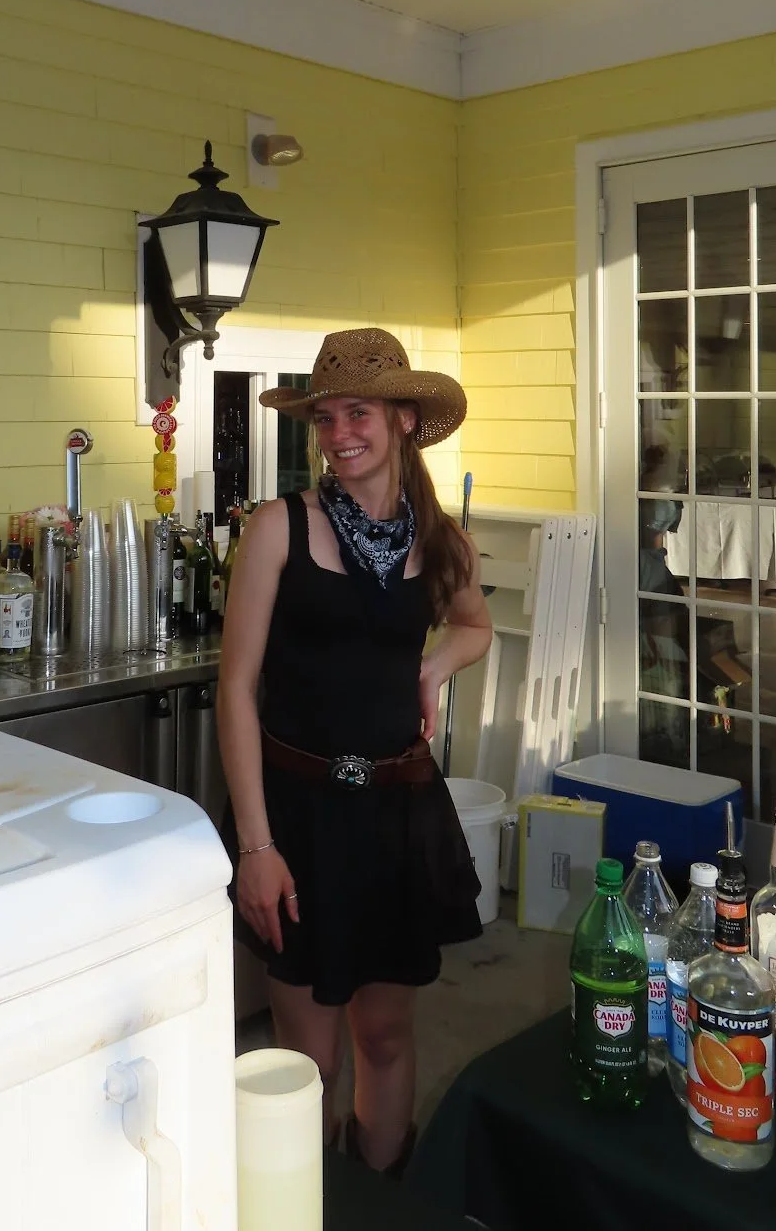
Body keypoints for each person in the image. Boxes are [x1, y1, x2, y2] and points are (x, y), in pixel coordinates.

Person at [217, 327, 492, 1177]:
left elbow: (475, 626)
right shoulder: (279, 528)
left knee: (383, 1036)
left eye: (359, 414)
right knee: (309, 1064)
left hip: (398, 816)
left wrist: (435, 666)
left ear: (404, 420)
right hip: (297, 822)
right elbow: (235, 691)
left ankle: (382, 1195)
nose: (340, 436)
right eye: (326, 419)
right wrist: (256, 849)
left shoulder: (440, 541)